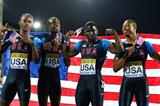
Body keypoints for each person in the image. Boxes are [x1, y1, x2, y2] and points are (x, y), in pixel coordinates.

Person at [63, 21, 123, 106]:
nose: (91, 33)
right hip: (82, 82)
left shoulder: (103, 43)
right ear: (84, 33)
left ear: (97, 31)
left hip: (95, 82)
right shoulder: (81, 44)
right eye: (88, 31)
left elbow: (120, 50)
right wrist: (67, 39)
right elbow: (66, 54)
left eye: (93, 31)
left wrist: (115, 34)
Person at [113, 19, 160, 106]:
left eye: (127, 26)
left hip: (141, 83)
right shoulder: (121, 47)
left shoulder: (145, 44)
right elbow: (115, 68)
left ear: (134, 28)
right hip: (127, 83)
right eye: (123, 27)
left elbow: (158, 58)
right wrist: (125, 56)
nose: (124, 28)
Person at [0, 13, 39, 106]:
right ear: (19, 22)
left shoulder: (34, 39)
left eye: (29, 22)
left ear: (32, 25)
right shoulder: (14, 36)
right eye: (24, 21)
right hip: (10, 80)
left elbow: (36, 61)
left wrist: (32, 44)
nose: (26, 23)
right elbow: (1, 50)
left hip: (24, 81)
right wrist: (1, 37)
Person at [37, 17, 70, 106]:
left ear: (60, 26)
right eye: (52, 23)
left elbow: (68, 63)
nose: (55, 25)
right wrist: (42, 48)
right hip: (44, 77)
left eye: (57, 23)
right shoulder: (42, 38)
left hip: (55, 77)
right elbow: (36, 60)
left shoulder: (64, 39)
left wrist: (64, 49)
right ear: (48, 26)